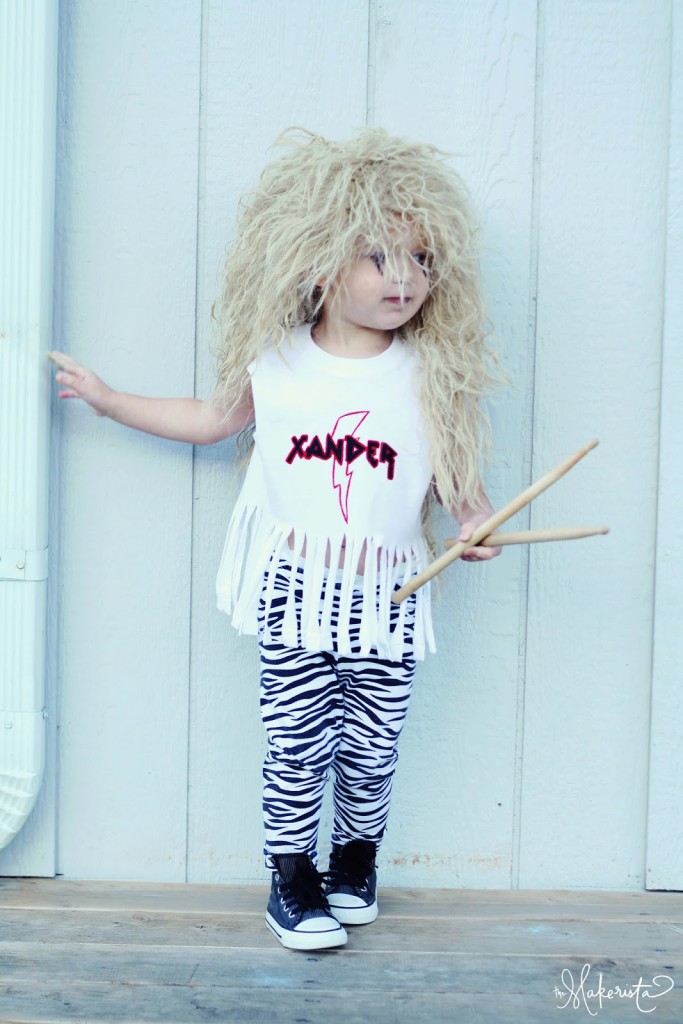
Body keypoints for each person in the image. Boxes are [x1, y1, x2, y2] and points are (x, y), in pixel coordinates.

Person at [50, 127, 502, 951]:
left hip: (390, 592)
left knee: (371, 746)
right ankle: (291, 880)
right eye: (377, 257)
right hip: (295, 589)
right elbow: (208, 419)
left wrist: (475, 523)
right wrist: (111, 401)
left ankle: (353, 866)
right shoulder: (278, 364)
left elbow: (454, 479)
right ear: (320, 262)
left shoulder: (430, 373)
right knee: (296, 745)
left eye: (420, 259)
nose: (404, 277)